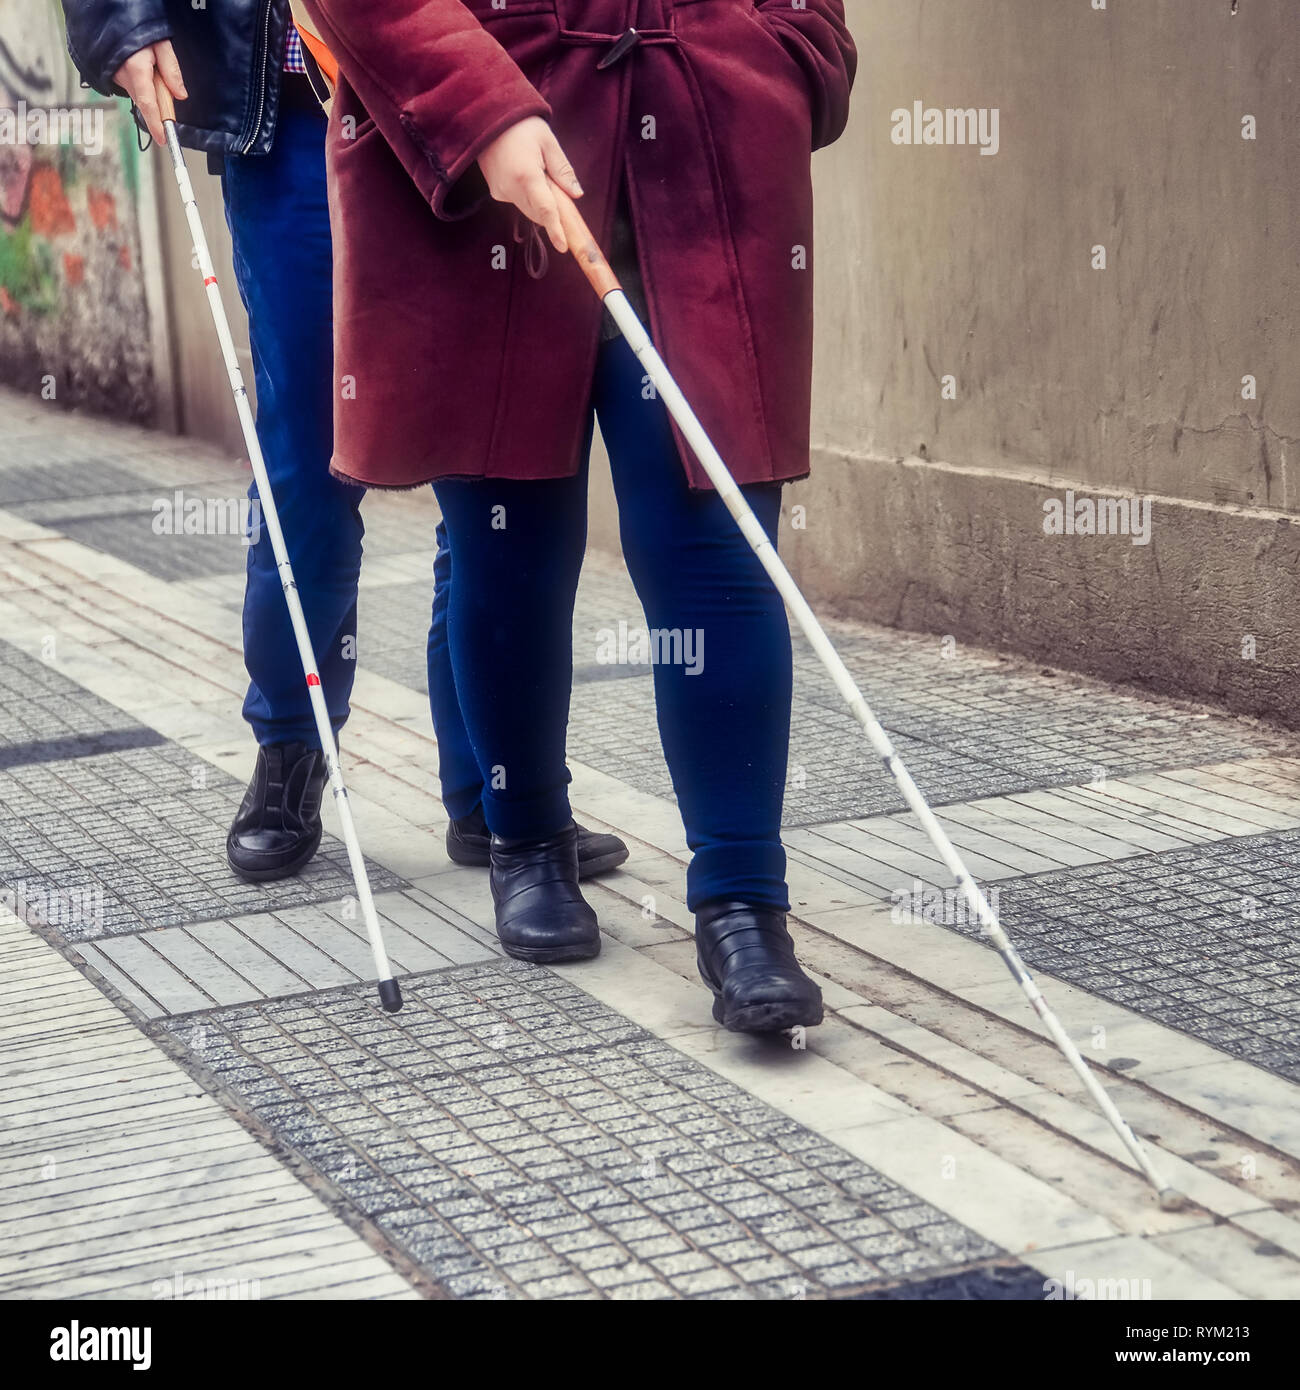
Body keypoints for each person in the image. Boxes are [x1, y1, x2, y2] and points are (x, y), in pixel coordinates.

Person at [294, 0, 856, 1034]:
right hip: (482, 203)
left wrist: (785, 54)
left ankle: (742, 902)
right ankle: (526, 837)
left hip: (704, 178)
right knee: (511, 554)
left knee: (720, 553)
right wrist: (479, 110)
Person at [59, 1, 627, 883]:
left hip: (458, 98)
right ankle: (289, 746)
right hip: (291, 117)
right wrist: (122, 23)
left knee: (481, 450)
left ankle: (496, 788)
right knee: (306, 461)